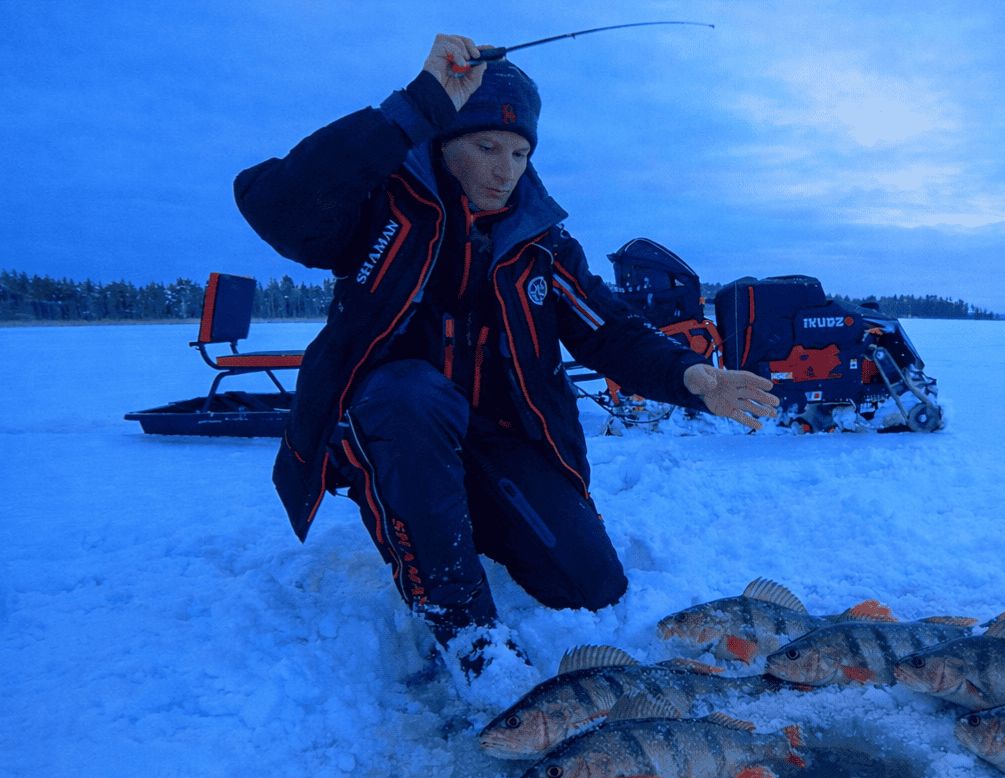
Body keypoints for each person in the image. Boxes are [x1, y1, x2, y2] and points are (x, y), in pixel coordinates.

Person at [235, 34, 778, 679]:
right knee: (409, 393)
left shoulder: (542, 244)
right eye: (486, 147)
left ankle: (452, 515)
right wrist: (411, 108)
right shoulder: (380, 211)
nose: (505, 169)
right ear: (442, 142)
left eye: (520, 152)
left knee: (591, 586)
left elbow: (610, 332)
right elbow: (272, 203)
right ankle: (464, 627)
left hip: (496, 440)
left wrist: (692, 376)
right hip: (394, 429)